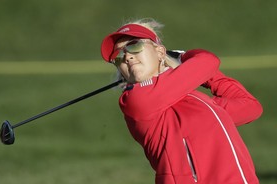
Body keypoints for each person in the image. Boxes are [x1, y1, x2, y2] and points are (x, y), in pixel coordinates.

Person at [100, 18, 263, 184]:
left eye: (134, 46)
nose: (127, 57)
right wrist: (184, 56)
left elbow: (250, 106)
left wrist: (201, 73)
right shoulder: (136, 100)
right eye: (119, 56)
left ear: (160, 52)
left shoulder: (202, 103)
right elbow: (207, 61)